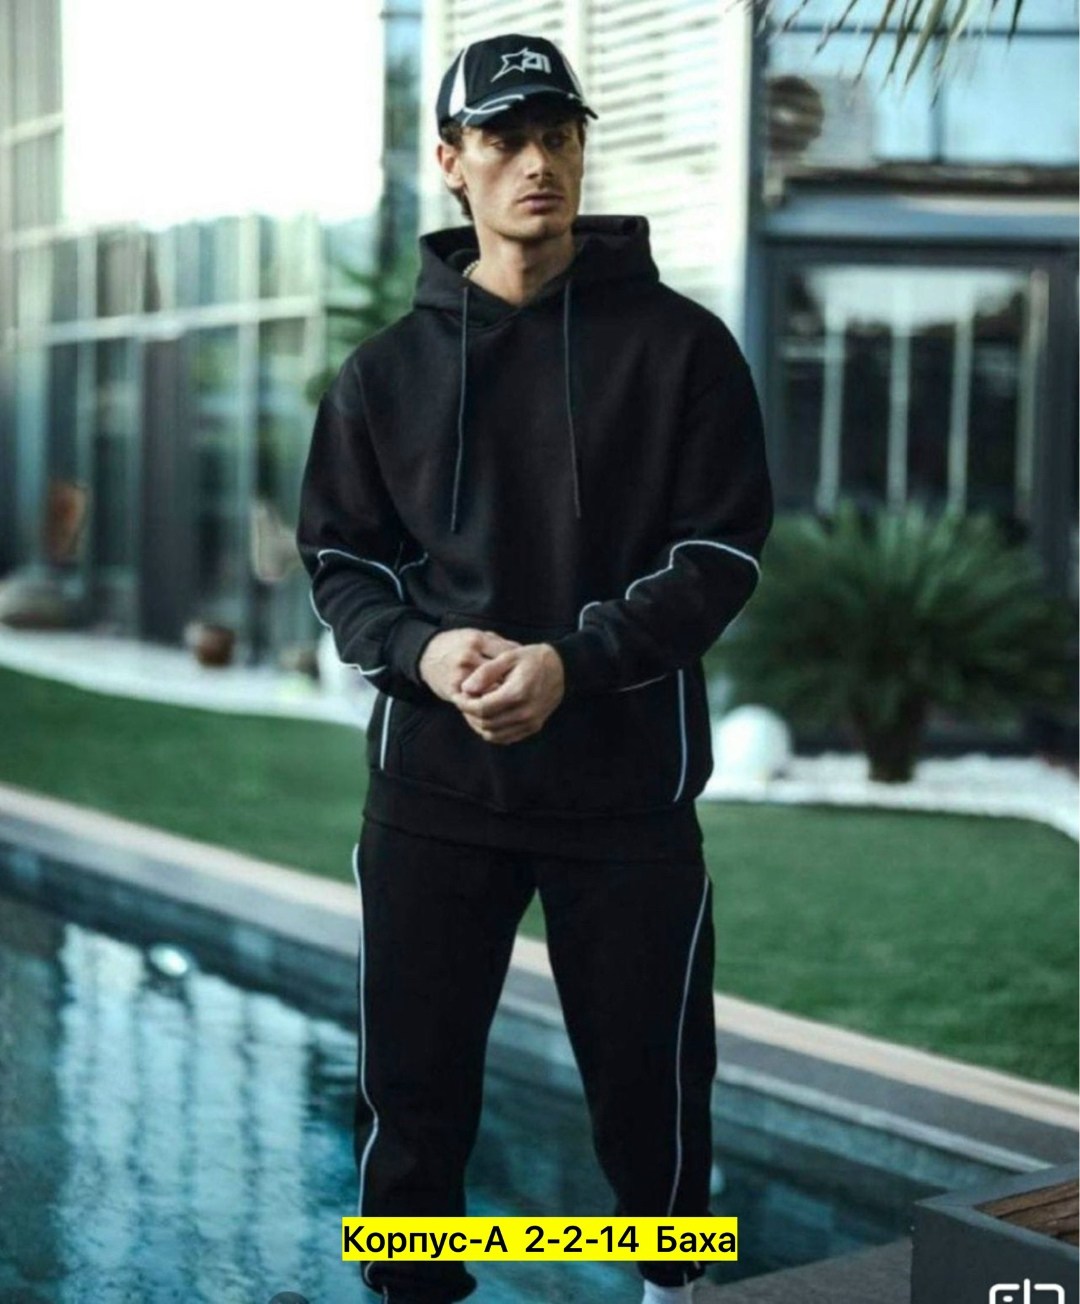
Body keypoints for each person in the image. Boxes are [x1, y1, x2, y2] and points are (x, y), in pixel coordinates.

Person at [295, 31, 773, 1304]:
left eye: (557, 135)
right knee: (411, 1102)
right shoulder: (382, 375)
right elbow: (341, 562)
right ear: (451, 162)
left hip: (626, 795)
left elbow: (720, 552)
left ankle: (673, 1286)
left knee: (656, 1100)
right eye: (503, 139)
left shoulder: (684, 348)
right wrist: (422, 646)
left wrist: (574, 661)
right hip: (434, 796)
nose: (537, 162)